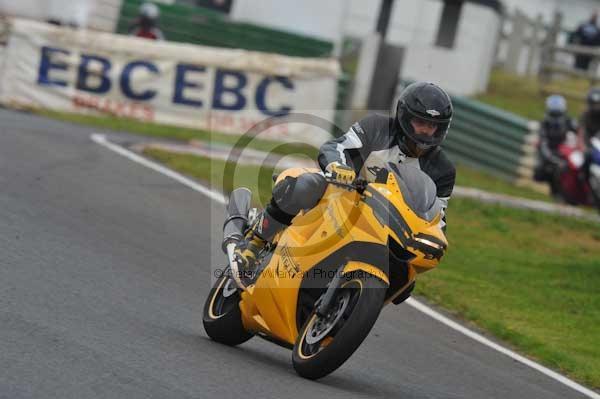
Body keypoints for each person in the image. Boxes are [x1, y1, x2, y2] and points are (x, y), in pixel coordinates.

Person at [234, 81, 456, 276]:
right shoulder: (377, 127)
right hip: (343, 198)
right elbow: (336, 146)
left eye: (433, 126)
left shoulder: (443, 170)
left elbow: (437, 217)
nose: (427, 131)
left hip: (389, 226)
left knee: (404, 277)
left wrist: (434, 239)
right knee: (305, 185)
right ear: (405, 117)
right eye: (421, 123)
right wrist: (338, 167)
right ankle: (255, 243)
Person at [533, 95, 577, 195]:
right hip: (552, 152)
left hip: (567, 151)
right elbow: (542, 142)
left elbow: (578, 135)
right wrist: (552, 158)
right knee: (544, 170)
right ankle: (556, 191)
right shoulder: (545, 123)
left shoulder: (569, 121)